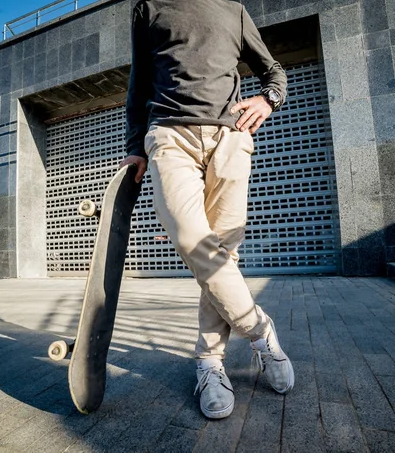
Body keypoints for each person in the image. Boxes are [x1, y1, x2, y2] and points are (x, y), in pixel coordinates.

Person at [120, 0, 294, 419]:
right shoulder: (148, 6)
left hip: (229, 139)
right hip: (169, 136)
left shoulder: (232, 8)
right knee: (191, 238)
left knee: (222, 257)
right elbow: (139, 80)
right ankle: (259, 331)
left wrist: (268, 100)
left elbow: (273, 71)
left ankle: (209, 363)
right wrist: (133, 146)